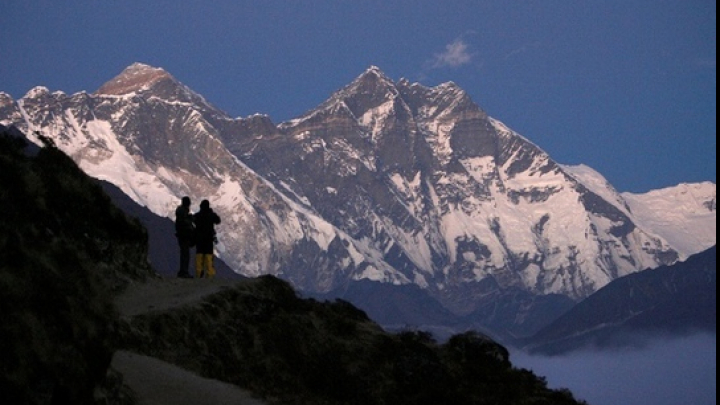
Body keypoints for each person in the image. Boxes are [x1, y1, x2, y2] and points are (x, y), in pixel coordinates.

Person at [193, 199, 221, 278]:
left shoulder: (197, 215)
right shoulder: (211, 215)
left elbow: (192, 220)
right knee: (209, 257)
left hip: (199, 239)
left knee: (199, 256)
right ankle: (209, 274)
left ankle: (199, 273)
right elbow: (218, 221)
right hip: (209, 239)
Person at [174, 196, 195, 278]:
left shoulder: (181, 212)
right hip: (184, 236)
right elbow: (185, 224)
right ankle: (184, 272)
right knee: (185, 254)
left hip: (182, 235)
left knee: (184, 254)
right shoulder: (183, 213)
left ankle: (183, 271)